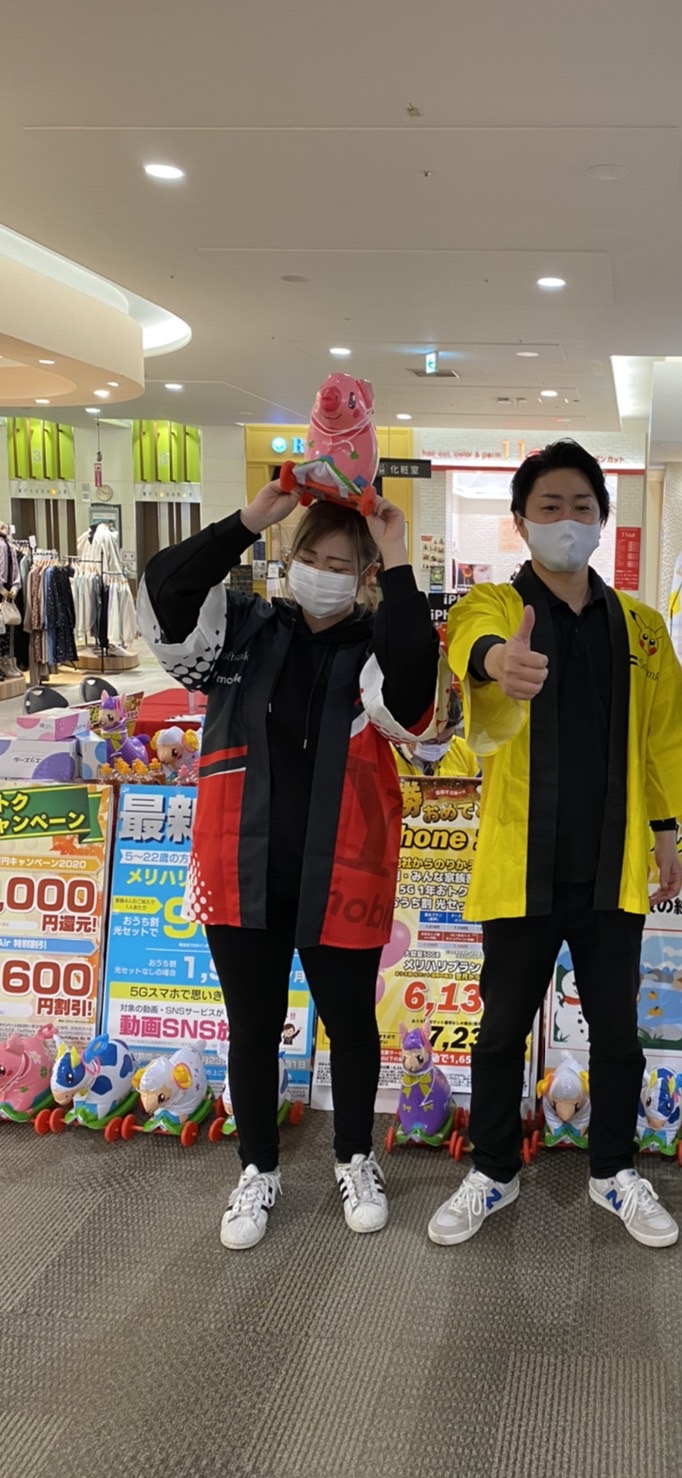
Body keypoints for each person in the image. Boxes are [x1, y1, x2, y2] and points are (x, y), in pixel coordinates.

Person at [139, 482, 441, 1250]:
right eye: (312, 556)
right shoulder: (239, 632)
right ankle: (258, 1168)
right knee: (252, 1026)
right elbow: (167, 590)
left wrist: (396, 552)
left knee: (351, 1024)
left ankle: (354, 1158)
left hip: (345, 872)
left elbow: (414, 691)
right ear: (289, 555)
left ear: (363, 576)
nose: (322, 574)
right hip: (242, 867)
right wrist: (251, 519)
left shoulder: (375, 648)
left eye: (342, 565)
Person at [427, 440, 682, 1249]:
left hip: (611, 869)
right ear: (520, 521)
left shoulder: (640, 628)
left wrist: (666, 833)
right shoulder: (495, 603)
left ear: (601, 519)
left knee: (618, 1032)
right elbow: (471, 639)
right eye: (548, 506)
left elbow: (664, 736)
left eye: (581, 505)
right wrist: (495, 661)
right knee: (500, 1029)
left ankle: (613, 1169)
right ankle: (493, 1169)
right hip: (522, 865)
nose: (566, 519)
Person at [393, 688, 480, 778]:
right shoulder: (387, 756)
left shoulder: (465, 752)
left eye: (446, 740)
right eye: (431, 741)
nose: (438, 747)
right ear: (410, 731)